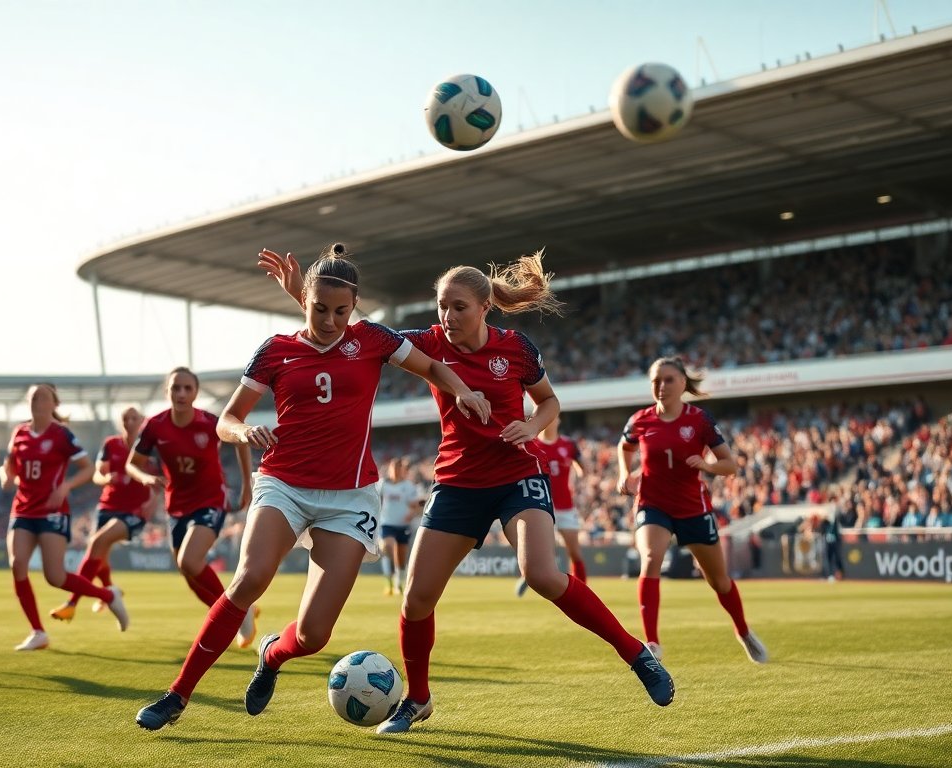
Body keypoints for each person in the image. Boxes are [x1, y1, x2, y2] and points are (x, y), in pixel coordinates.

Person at [259, 249, 674, 736]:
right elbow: (349, 333)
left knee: (540, 572)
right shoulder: (429, 342)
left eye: (458, 307)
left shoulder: (515, 347)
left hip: (517, 475)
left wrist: (532, 425)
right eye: (441, 306)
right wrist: (300, 295)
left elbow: (549, 401)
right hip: (457, 482)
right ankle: (417, 700)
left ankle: (636, 654)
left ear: (484, 308)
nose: (447, 316)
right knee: (414, 601)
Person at [135, 243, 490, 730]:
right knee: (250, 577)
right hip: (284, 483)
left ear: (355, 305)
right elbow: (229, 419)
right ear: (302, 299)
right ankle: (176, 696)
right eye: (320, 309)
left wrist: (464, 390)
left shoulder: (371, 339)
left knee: (314, 635)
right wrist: (243, 431)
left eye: (342, 311)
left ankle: (272, 655)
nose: (330, 320)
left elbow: (430, 366)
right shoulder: (276, 350)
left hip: (350, 498)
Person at [616, 356, 767, 665]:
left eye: (668, 379)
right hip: (652, 503)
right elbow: (625, 446)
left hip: (692, 508)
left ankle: (743, 631)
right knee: (650, 558)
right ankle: (653, 643)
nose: (661, 386)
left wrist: (707, 464)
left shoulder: (699, 420)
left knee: (719, 581)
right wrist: (623, 473)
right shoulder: (640, 420)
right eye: (656, 380)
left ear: (683, 383)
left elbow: (730, 464)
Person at [124, 367, 256, 647]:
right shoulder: (155, 426)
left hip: (211, 499)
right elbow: (131, 464)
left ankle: (235, 615)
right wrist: (147, 477)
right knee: (188, 571)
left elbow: (240, 442)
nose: (181, 393)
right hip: (177, 505)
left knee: (189, 561)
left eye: (187, 388)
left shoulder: (210, 422)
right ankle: (235, 612)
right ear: (167, 392)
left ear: (195, 393)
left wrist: (246, 484)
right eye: (176, 388)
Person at [0, 383, 129, 651]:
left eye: (43, 397)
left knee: (55, 576)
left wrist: (66, 487)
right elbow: (9, 466)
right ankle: (37, 631)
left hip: (52, 511)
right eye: (33, 396)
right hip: (22, 508)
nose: (37, 400)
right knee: (17, 565)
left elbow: (86, 468)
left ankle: (107, 594)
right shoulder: (19, 432)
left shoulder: (61, 435)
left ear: (54, 404)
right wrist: (6, 477)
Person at [50, 406, 155, 622]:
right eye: (126, 418)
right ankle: (110, 591)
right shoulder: (111, 444)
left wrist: (153, 502)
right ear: (121, 422)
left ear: (142, 421)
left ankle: (72, 604)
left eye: (134, 418)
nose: (130, 421)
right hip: (107, 507)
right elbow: (97, 474)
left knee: (97, 543)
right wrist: (105, 479)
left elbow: (160, 478)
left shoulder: (150, 448)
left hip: (134, 511)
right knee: (99, 558)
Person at [517, 414, 588, 596]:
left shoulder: (568, 445)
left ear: (558, 420)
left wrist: (582, 472)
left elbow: (583, 468)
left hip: (566, 506)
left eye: (552, 417)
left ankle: (582, 594)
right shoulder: (532, 444)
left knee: (575, 553)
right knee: (540, 553)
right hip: (541, 506)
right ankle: (529, 576)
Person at [378, 456, 424, 596]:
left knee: (401, 557)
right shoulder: (382, 485)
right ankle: (390, 581)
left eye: (399, 468)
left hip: (403, 525)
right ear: (390, 469)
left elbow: (414, 504)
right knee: (388, 547)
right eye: (394, 468)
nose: (396, 471)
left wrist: (412, 512)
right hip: (387, 524)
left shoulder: (408, 486)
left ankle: (397, 584)